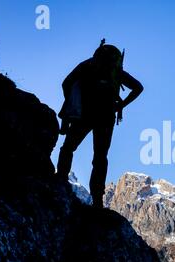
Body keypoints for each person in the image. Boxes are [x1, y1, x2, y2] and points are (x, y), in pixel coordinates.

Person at [56, 40, 143, 208]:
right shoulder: (116, 71)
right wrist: (121, 105)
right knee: (100, 157)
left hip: (84, 113)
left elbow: (66, 83)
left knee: (68, 147)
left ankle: (60, 180)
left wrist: (72, 103)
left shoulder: (87, 65)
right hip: (106, 116)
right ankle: (97, 199)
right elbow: (138, 87)